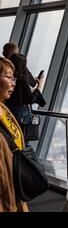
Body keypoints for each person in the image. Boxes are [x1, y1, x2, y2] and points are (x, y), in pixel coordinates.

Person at [0, 57, 28, 212]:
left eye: (14, 78)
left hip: (12, 190)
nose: (13, 83)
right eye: (9, 77)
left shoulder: (5, 110)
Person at [5, 54, 46, 145]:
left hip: (9, 111)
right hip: (21, 114)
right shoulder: (22, 78)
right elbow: (30, 99)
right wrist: (40, 85)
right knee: (23, 143)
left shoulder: (10, 77)